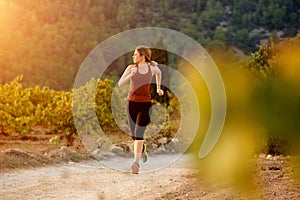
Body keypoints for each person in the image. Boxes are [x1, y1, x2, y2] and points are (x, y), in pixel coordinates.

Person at [118, 45, 164, 174]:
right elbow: (120, 83)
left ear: (142, 56)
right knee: (134, 135)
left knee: (139, 134)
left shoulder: (152, 69)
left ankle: (136, 163)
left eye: (135, 54)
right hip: (131, 103)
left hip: (145, 105)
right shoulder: (131, 68)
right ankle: (142, 149)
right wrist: (130, 76)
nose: (133, 56)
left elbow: (159, 73)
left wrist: (158, 88)